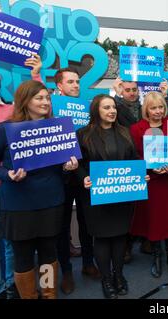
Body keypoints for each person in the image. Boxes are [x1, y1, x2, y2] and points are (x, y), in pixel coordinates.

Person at [0, 80, 79, 299]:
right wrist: (7, 175)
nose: (45, 102)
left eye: (47, 97)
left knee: (48, 253)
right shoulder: (4, 130)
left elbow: (63, 169)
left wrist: (68, 167)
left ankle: (48, 294)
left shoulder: (59, 128)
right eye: (39, 98)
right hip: (18, 205)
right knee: (23, 257)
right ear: (26, 101)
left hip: (51, 202)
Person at [0, 58, 42, 299]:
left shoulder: (11, 111)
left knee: (14, 246)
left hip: (16, 189)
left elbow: (37, 105)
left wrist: (36, 74)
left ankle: (14, 288)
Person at [76, 94, 147, 299]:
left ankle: (119, 275)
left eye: (113, 107)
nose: (112, 111)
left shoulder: (125, 132)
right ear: (96, 110)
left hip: (123, 196)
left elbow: (133, 159)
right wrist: (84, 178)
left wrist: (140, 176)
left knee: (119, 237)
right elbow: (78, 164)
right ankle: (106, 279)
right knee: (102, 238)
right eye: (106, 107)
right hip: (96, 196)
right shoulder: (83, 134)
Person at [129, 92, 168, 278]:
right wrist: (149, 168)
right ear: (146, 109)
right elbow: (134, 155)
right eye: (153, 108)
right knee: (153, 219)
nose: (158, 111)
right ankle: (156, 256)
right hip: (151, 181)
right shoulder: (137, 128)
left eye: (161, 107)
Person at [54, 68, 100, 296]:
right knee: (62, 227)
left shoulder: (85, 108)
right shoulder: (50, 109)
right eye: (70, 82)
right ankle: (67, 272)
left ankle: (89, 263)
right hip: (60, 176)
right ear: (59, 86)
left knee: (87, 220)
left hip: (84, 174)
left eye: (78, 81)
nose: (75, 85)